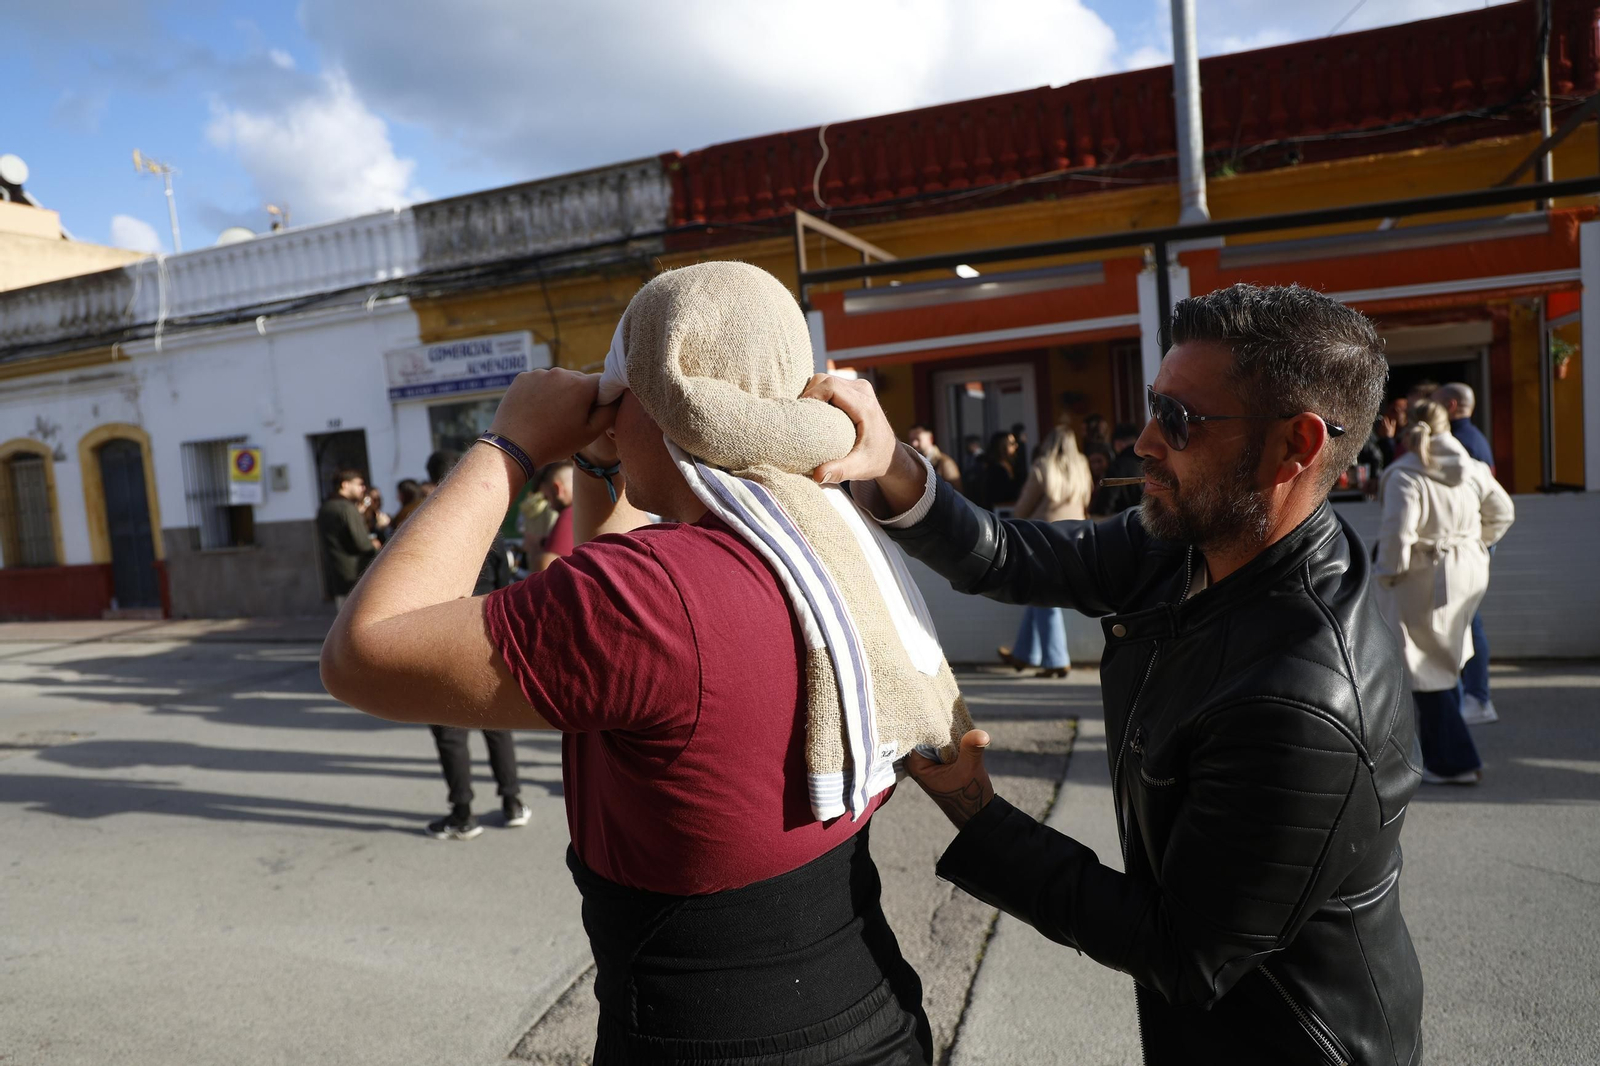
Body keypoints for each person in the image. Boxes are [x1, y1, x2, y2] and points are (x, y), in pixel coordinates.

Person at [322, 262, 973, 1063]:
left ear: (666, 402)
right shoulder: (824, 546)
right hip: (869, 1003)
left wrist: (509, 444)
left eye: (615, 386)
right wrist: (605, 463)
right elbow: (633, 620)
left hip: (701, 1038)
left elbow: (363, 653)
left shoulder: (647, 599)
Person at [805, 282, 1424, 1065]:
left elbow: (1178, 950)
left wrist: (978, 810)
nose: (1142, 442)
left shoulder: (1307, 701)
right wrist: (889, 459)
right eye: (1153, 405)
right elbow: (1012, 554)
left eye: (1180, 420)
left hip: (1292, 1041)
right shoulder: (1191, 541)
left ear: (1294, 448)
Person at [1374, 400, 1514, 786]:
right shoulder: (1472, 468)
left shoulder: (1405, 474)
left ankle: (1454, 761)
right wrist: (1475, 545)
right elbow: (1503, 512)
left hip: (1424, 574)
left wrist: (1385, 576)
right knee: (1443, 657)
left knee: (1421, 664)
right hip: (1467, 569)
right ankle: (1447, 755)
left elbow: (1398, 535)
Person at [416, 448, 526, 841]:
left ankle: (463, 813)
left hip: (442, 637)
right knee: (496, 725)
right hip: (487, 634)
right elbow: (504, 587)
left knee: (450, 733)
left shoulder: (425, 526)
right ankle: (512, 801)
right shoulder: (488, 527)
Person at [996, 424, 1092, 679]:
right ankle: (1025, 654)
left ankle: (1056, 659)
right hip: (1077, 537)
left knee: (1045, 598)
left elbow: (1021, 509)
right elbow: (1086, 500)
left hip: (1043, 537)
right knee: (1038, 595)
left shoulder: (1043, 465)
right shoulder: (1082, 466)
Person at [1432, 383, 1499, 723]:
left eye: (1436, 404)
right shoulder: (1474, 441)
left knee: (1470, 622)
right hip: (1471, 547)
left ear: (1452, 405)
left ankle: (1476, 697)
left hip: (1465, 550)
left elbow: (1496, 505)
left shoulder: (1464, 444)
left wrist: (1476, 541)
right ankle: (1474, 696)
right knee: (1468, 621)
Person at [316, 468, 380, 609]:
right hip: (356, 575)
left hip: (338, 575)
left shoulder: (325, 507)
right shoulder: (347, 508)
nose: (362, 488)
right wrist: (374, 546)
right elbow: (362, 543)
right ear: (345, 485)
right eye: (358, 484)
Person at [1088, 422, 1143, 517]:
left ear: (1118, 444)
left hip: (1125, 522)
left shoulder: (1118, 466)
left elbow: (1105, 504)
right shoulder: (1150, 462)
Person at [529, 462, 576, 572]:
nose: (550, 506)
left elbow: (547, 565)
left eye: (547, 497)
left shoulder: (570, 514)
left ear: (557, 489)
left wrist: (536, 552)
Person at [905, 423, 962, 493]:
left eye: (917, 439)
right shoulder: (914, 462)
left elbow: (957, 495)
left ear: (931, 439)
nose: (914, 444)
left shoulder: (946, 463)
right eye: (911, 440)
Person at [976, 430, 1020, 509]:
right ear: (1001, 447)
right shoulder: (994, 470)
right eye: (1012, 444)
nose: (1016, 446)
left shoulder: (1015, 466)